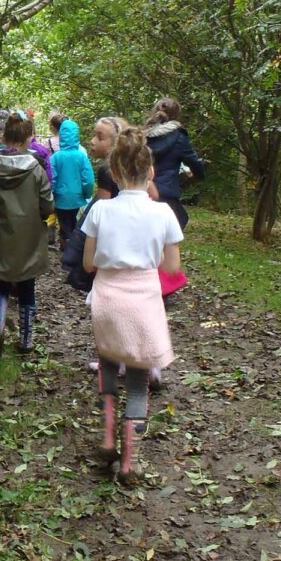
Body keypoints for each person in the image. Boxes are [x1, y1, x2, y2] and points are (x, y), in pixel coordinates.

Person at [82, 127, 183, 484]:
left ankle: (108, 440)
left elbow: (88, 264)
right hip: (143, 302)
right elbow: (171, 267)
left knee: (108, 367)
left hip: (107, 300)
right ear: (151, 171)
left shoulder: (100, 210)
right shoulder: (164, 215)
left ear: (115, 172)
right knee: (138, 384)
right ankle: (130, 464)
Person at [0, 111, 54, 359]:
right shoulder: (36, 169)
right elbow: (47, 205)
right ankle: (26, 340)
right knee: (27, 285)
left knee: (0, 284)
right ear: (29, 138)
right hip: (29, 237)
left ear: (4, 137)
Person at [145, 97, 206, 230]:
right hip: (166, 194)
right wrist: (200, 173)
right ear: (177, 116)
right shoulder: (179, 137)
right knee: (179, 221)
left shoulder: (142, 135)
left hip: (142, 190)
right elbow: (193, 162)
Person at [50, 119, 95, 245]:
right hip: (77, 198)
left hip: (60, 198)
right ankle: (72, 244)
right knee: (74, 221)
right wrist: (87, 194)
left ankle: (66, 245)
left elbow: (52, 179)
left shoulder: (55, 157)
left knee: (64, 224)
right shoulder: (81, 156)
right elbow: (88, 179)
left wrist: (51, 194)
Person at [90, 116, 128, 201]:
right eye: (94, 135)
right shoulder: (130, 165)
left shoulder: (106, 170)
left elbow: (102, 206)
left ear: (116, 142)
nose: (92, 141)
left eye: (100, 138)